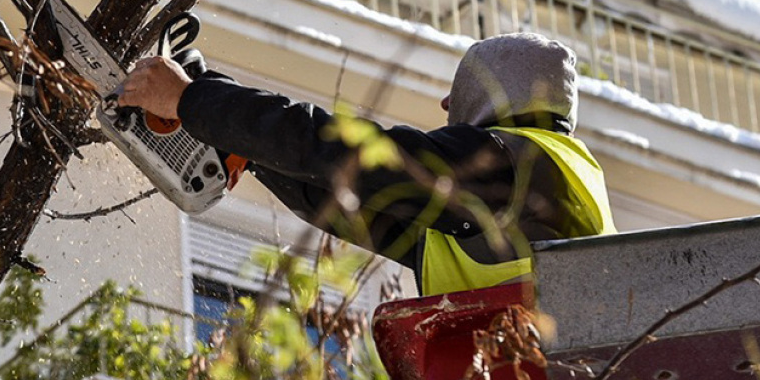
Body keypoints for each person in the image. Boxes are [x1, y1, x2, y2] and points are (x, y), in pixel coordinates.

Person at [118, 32, 616, 297]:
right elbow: (343, 201)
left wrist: (195, 100)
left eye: (460, 90)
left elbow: (349, 157)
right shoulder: (484, 214)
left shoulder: (519, 168)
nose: (446, 106)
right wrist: (239, 139)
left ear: (491, 97)